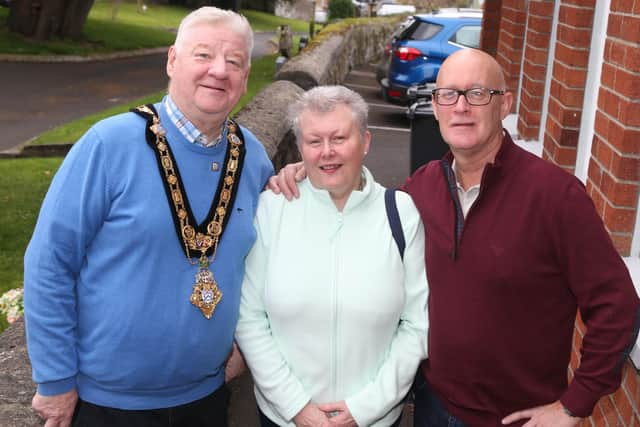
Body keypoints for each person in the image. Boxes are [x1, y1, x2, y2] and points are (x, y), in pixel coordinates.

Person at [268, 49, 640, 427]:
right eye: (448, 94)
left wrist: (573, 405)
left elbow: (617, 305)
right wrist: (310, 171)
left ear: (505, 104)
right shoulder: (420, 189)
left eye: (478, 93)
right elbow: (364, 207)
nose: (461, 106)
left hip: (516, 417)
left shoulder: (556, 197)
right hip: (432, 407)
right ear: (435, 105)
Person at [24, 7, 274, 427]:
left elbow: (265, 267)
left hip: (207, 398)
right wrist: (54, 379)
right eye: (203, 55)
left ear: (246, 76)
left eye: (234, 62)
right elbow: (50, 262)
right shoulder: (109, 144)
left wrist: (245, 348)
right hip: (104, 404)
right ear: (172, 60)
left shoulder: (254, 160)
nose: (218, 70)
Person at [235, 85, 428, 427]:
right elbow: (249, 318)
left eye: (339, 138)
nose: (327, 152)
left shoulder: (400, 213)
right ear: (300, 148)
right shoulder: (272, 209)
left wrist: (365, 408)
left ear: (365, 142)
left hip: (375, 419)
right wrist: (298, 407)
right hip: (286, 418)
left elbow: (416, 325)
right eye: (314, 141)